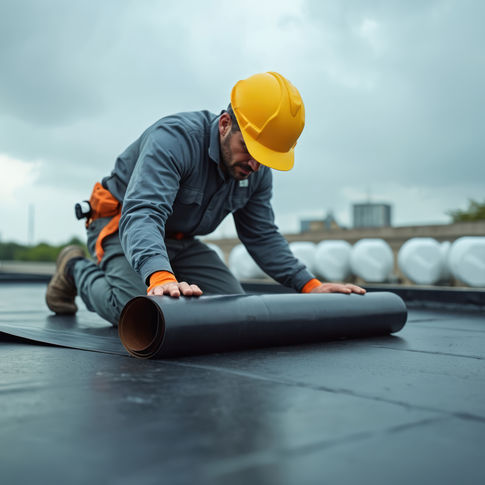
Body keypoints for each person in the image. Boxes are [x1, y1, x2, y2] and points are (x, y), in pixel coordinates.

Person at [46, 71, 365, 325]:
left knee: (232, 309)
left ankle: (164, 272)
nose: (255, 165)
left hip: (181, 240)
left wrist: (311, 286)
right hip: (120, 227)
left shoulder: (255, 172)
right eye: (251, 151)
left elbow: (261, 235)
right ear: (225, 124)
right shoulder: (174, 140)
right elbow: (143, 213)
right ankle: (74, 267)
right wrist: (159, 275)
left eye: (264, 158)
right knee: (137, 309)